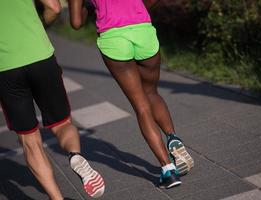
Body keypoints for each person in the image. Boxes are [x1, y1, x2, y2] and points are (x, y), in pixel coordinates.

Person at [67, 0, 194, 189]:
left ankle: (168, 170)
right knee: (151, 92)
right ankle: (173, 138)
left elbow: (76, 23)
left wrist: (87, 7)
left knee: (141, 106)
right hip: (143, 30)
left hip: (114, 37)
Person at [0, 0, 104, 199]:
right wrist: (40, 24)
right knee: (62, 123)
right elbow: (54, 8)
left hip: (5, 68)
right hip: (40, 55)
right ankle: (75, 156)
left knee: (30, 140)